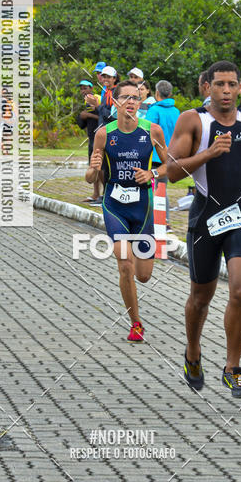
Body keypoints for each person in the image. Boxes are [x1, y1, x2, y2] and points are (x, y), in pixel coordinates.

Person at [167, 60, 241, 398]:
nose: (227, 91)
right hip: (205, 218)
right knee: (201, 298)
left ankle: (233, 368)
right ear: (206, 87)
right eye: (220, 85)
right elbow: (171, 171)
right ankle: (193, 353)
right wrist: (209, 154)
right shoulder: (193, 120)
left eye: (232, 84)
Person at [86, 79, 168, 342]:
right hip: (114, 204)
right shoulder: (104, 133)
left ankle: (133, 285)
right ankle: (136, 323)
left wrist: (152, 172)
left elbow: (171, 165)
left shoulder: (152, 131)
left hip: (142, 207)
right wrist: (93, 168)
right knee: (124, 265)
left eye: (136, 98)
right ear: (116, 101)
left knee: (143, 276)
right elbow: (90, 178)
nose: (131, 102)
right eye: (126, 98)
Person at [146, 80, 180, 228]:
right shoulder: (176, 111)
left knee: (150, 190)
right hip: (169, 156)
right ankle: (165, 220)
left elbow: (147, 131)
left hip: (153, 157)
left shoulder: (154, 110)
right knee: (162, 189)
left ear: (157, 93)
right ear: (170, 93)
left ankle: (151, 219)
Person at [75, 80, 101, 203]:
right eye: (81, 89)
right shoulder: (86, 103)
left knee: (101, 168)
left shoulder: (98, 99)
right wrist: (82, 116)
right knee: (93, 166)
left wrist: (89, 116)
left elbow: (104, 117)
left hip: (100, 137)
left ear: (91, 88)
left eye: (85, 88)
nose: (83, 91)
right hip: (91, 138)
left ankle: (103, 194)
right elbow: (83, 123)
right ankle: (95, 194)